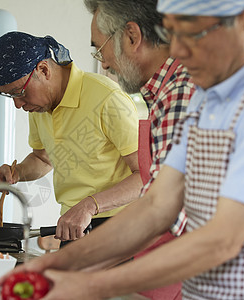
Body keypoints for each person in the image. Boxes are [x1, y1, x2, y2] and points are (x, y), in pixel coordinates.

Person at [0, 0, 244, 299]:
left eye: (101, 49)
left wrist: (91, 285)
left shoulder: (239, 97)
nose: (104, 63)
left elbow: (221, 239)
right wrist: (56, 264)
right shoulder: (181, 96)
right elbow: (157, 207)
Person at [84, 1, 195, 298]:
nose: (104, 63)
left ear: (132, 37)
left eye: (101, 48)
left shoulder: (182, 92)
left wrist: (80, 266)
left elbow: (162, 213)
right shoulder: (167, 93)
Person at [0, 31, 142, 243]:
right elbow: (43, 158)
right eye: (10, 96)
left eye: (19, 92)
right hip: (73, 224)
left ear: (43, 70)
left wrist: (90, 205)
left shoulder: (108, 98)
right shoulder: (39, 107)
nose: (17, 104)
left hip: (121, 226)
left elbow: (146, 176)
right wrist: (17, 172)